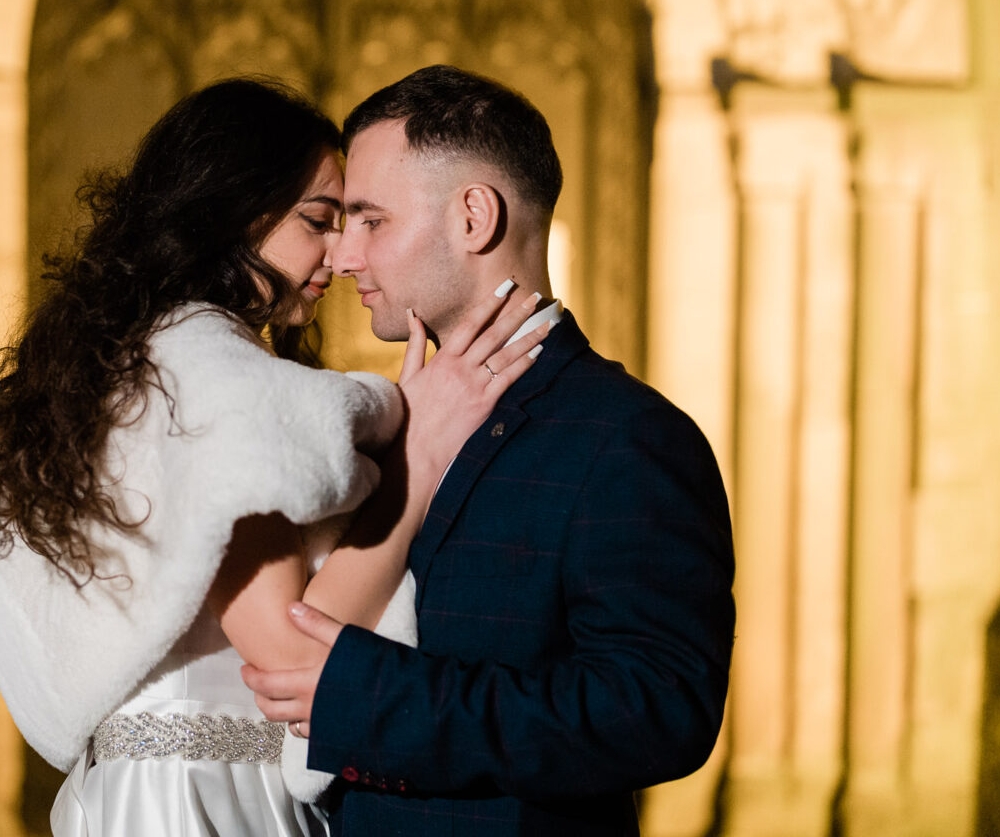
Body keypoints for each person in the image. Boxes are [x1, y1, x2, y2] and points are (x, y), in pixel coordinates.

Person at [0, 77, 549, 837]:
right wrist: (416, 457)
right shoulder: (210, 372)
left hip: (144, 792)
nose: (344, 253)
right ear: (237, 214)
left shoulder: (137, 360)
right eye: (320, 220)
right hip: (205, 801)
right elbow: (291, 650)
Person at [242, 65, 737, 836]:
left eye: (371, 220)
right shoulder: (383, 424)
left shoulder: (629, 438)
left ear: (474, 217)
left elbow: (659, 709)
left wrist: (378, 700)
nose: (342, 258)